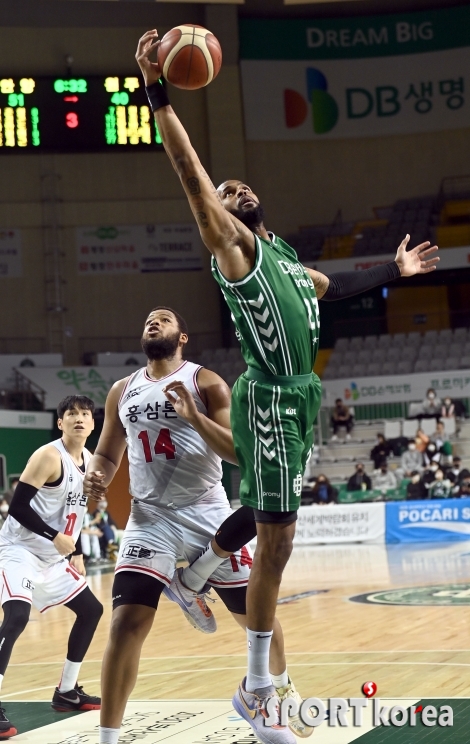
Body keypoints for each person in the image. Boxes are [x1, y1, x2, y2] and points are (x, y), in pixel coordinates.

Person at [135, 28, 439, 744]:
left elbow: (338, 287)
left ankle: (203, 567)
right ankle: (258, 687)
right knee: (277, 540)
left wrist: (396, 271)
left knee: (271, 521)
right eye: (224, 191)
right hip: (271, 392)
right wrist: (157, 94)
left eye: (239, 186)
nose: (230, 190)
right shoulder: (236, 251)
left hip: (300, 396)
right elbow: (189, 174)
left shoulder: (286, 258)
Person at [84, 307, 312, 744]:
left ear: (182, 336)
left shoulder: (205, 382)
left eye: (164, 319)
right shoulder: (121, 390)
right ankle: (108, 739)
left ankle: (278, 686)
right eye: (148, 319)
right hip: (150, 519)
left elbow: (236, 452)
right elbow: (108, 453)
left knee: (259, 617)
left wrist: (193, 416)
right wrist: (98, 475)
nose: (154, 321)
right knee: (126, 624)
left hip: (207, 511)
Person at [0, 395, 102, 738]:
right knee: (15, 617)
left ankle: (67, 692)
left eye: (84, 414)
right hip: (19, 548)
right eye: (70, 413)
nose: (78, 418)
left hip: (52, 554)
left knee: (91, 610)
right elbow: (17, 507)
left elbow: (76, 508)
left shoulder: (89, 460)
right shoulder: (48, 455)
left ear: (92, 423)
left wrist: (75, 552)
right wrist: (54, 535)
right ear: (60, 423)